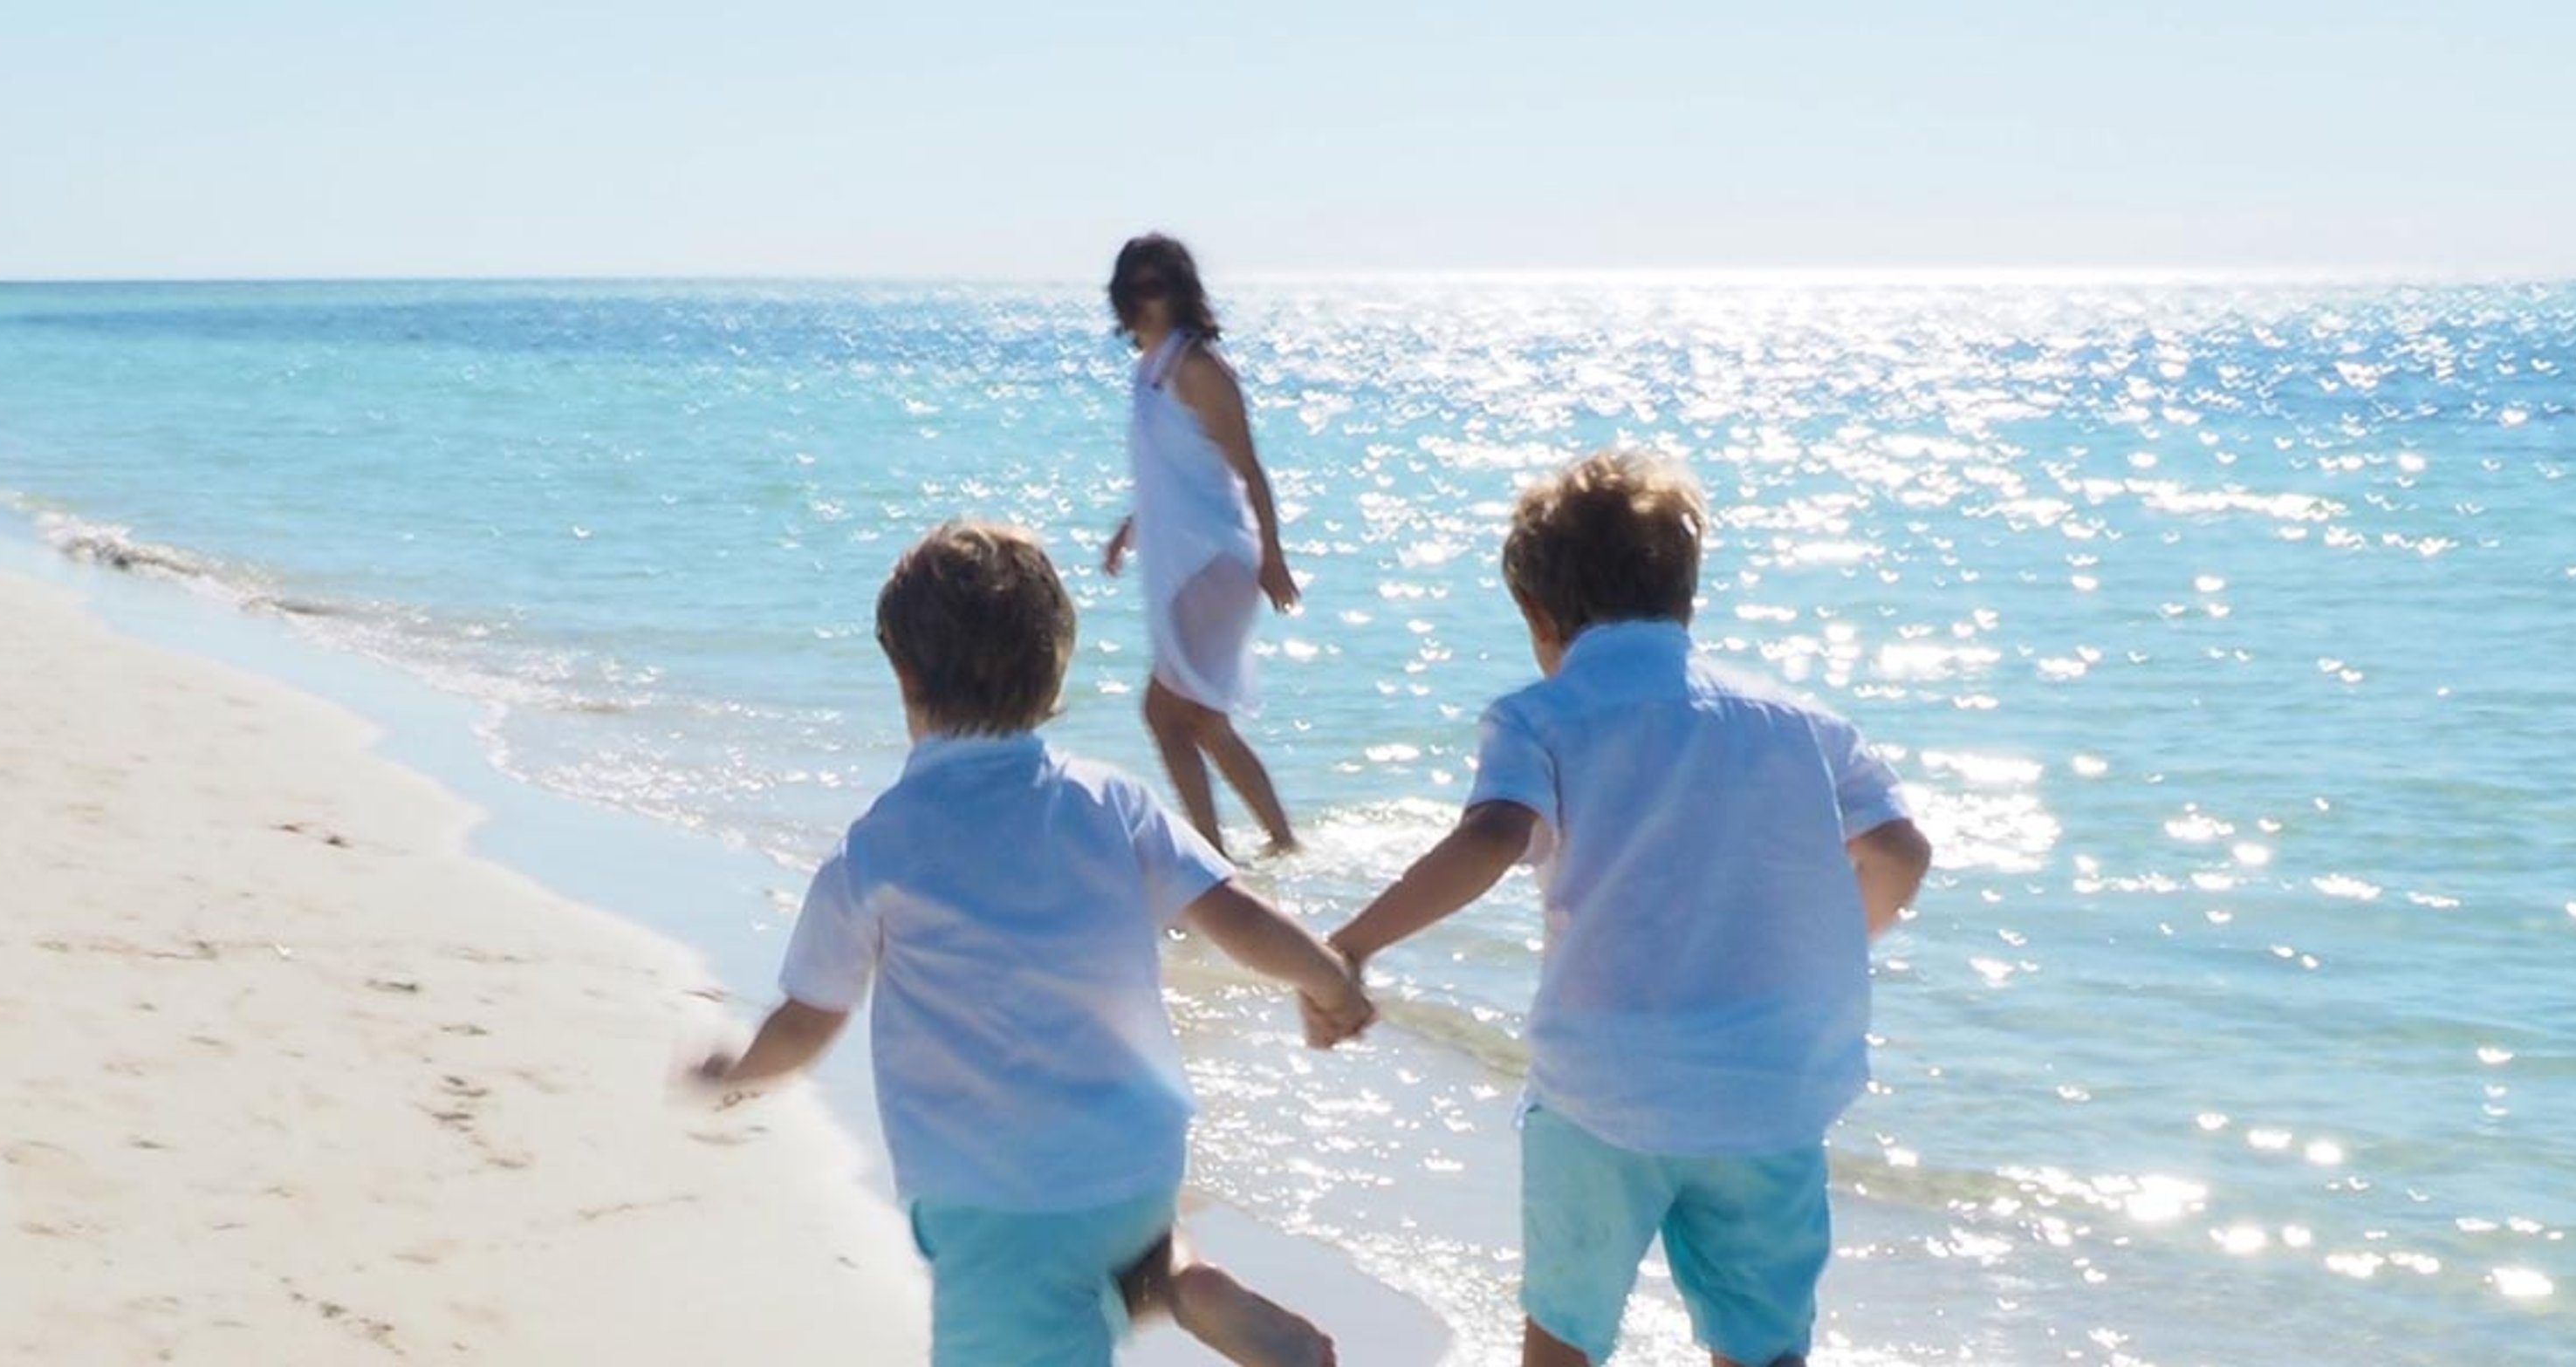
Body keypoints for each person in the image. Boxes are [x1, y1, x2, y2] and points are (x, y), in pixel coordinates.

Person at [680, 521, 1372, 1367]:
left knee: (1036, 1302)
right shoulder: (1111, 801)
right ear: (1056, 669)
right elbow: (1235, 914)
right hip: (1136, 1168)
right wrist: (1330, 979)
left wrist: (741, 1069)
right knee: (1099, 1259)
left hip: (997, 1202)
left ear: (902, 673)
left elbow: (809, 1018)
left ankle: (1176, 1281)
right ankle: (1183, 1281)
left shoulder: (879, 847)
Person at [1326, 453, 1934, 1367]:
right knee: (1763, 1345)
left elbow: (1493, 837)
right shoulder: (1801, 721)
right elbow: (1900, 850)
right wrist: (1827, 952)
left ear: (1539, 616)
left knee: (1565, 1334)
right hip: (1770, 1089)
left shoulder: (1543, 715)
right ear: (1686, 593)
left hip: (1604, 1090)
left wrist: (1353, 942)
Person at [1102, 233, 1302, 857]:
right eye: (1135, 289)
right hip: (1179, 559)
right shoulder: (1151, 368)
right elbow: (1174, 471)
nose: (1146, 302)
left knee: (1166, 713)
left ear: (1180, 293)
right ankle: (1277, 841)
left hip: (1212, 561)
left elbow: (1249, 469)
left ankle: (1210, 857)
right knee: (1204, 720)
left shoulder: (1199, 369)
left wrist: (1274, 555)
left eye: (1157, 287)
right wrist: (1130, 527)